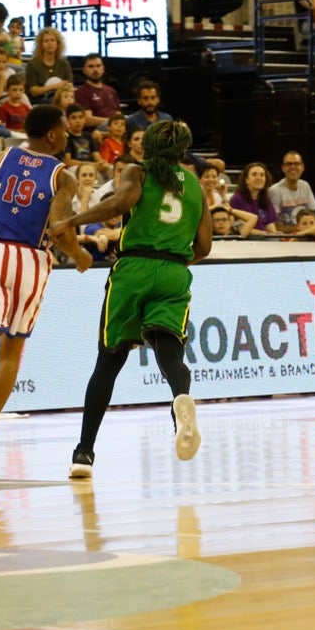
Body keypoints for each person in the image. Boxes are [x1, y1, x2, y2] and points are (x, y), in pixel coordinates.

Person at [54, 120, 212, 478]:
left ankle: (84, 454)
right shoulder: (197, 188)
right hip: (174, 271)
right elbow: (203, 247)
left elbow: (119, 204)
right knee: (170, 353)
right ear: (183, 152)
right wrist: (171, 258)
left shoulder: (138, 173)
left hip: (133, 268)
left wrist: (74, 220)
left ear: (148, 148)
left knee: (108, 362)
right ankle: (180, 403)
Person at [0, 105, 91, 475]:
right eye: (64, 131)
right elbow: (59, 229)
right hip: (32, 262)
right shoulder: (63, 176)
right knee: (12, 350)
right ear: (54, 134)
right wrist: (79, 255)